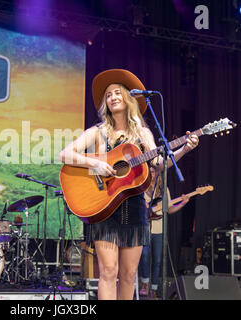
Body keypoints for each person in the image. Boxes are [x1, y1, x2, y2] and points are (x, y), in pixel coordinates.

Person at [59, 69, 199, 300]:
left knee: (128, 274)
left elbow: (158, 164)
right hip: (104, 209)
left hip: (134, 208)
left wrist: (184, 148)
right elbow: (65, 154)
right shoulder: (97, 132)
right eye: (108, 95)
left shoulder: (142, 134)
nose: (112, 97)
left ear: (128, 99)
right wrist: (96, 165)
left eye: (117, 93)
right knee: (108, 272)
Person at [139, 170, 190, 300]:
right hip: (144, 229)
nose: (152, 173)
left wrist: (182, 203)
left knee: (157, 261)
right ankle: (145, 284)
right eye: (149, 171)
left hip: (159, 230)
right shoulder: (141, 188)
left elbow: (169, 209)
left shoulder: (163, 190)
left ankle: (154, 290)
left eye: (154, 172)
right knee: (144, 256)